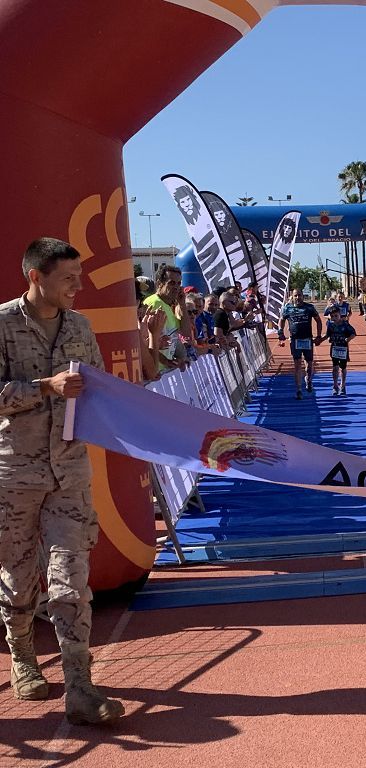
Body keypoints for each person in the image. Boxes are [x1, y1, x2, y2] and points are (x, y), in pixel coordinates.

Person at [0, 238, 125, 725]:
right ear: (36, 276)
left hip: (70, 472)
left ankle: (80, 686)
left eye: (80, 275)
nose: (79, 285)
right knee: (18, 579)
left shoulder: (80, 326)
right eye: (68, 277)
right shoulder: (4, 323)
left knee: (71, 581)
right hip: (16, 473)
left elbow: (94, 388)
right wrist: (42, 389)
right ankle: (24, 659)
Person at [278, 288, 322, 399]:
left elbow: (318, 320)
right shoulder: (287, 308)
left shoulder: (309, 308)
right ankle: (298, 389)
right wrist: (280, 332)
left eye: (299, 295)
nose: (298, 298)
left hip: (307, 339)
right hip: (295, 340)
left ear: (303, 296)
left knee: (309, 364)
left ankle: (308, 380)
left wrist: (318, 336)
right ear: (292, 296)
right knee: (297, 364)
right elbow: (282, 320)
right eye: (295, 295)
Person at [143, 265, 187, 371]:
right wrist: (165, 361)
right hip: (154, 372)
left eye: (179, 283)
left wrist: (182, 305)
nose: (176, 287)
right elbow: (143, 342)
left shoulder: (167, 305)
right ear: (159, 284)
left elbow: (185, 333)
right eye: (171, 283)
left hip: (163, 371)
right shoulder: (155, 303)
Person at [322, 305, 356, 395]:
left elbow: (353, 333)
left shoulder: (345, 324)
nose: (334, 318)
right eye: (332, 316)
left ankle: (343, 385)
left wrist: (348, 339)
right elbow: (327, 335)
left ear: (340, 315)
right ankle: (335, 385)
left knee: (343, 367)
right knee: (335, 367)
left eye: (336, 316)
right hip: (334, 348)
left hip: (343, 348)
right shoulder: (330, 325)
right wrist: (319, 340)